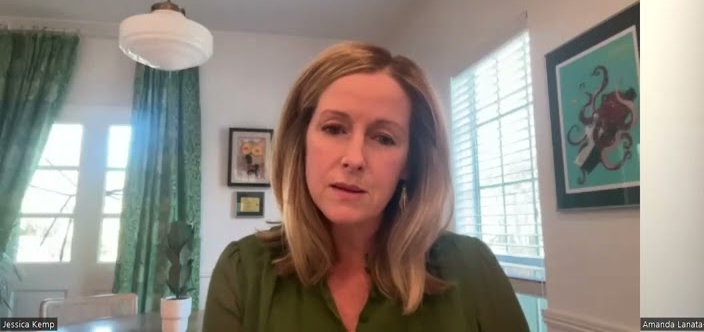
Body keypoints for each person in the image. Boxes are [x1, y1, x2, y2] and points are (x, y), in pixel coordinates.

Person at [204, 42, 529, 331]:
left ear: (409, 163)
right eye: (334, 129)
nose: (354, 159)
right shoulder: (242, 272)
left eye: (384, 138)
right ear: (301, 142)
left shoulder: (471, 268)